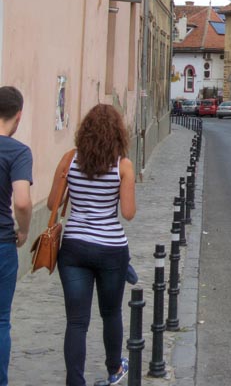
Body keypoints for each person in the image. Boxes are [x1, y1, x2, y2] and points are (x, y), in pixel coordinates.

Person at [48, 104, 136, 386]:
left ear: (85, 131)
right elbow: (129, 212)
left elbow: (52, 204)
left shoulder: (69, 159)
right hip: (111, 249)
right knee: (111, 312)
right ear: (118, 133)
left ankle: (75, 381)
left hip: (74, 247)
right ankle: (114, 369)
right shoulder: (123, 166)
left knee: (76, 321)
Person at [0, 87, 31, 386]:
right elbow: (21, 201)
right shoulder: (18, 152)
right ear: (18, 116)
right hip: (1, 244)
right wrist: (23, 229)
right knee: (0, 321)